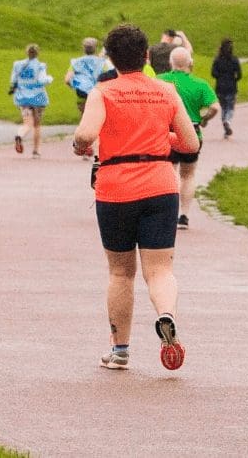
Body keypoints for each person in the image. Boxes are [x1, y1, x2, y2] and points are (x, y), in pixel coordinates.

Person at [73, 24, 199, 371]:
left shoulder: (103, 92)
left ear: (112, 59)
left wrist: (80, 145)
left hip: (116, 187)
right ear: (146, 56)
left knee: (120, 272)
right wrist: (161, 139)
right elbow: (190, 144)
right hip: (160, 184)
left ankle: (120, 350)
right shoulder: (167, 91)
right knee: (160, 269)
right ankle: (166, 314)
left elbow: (86, 133)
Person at [158, 47, 220, 229]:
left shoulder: (160, 81)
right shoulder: (200, 84)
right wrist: (204, 119)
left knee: (169, 172)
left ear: (171, 63)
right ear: (190, 63)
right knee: (188, 175)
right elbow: (215, 107)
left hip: (167, 132)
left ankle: (167, 213)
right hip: (192, 132)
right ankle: (184, 215)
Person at [10, 43, 53, 158]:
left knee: (27, 123)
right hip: (38, 98)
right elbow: (42, 80)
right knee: (37, 125)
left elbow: (13, 80)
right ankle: (36, 151)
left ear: (27, 52)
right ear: (38, 53)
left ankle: (20, 135)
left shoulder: (17, 65)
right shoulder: (40, 66)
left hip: (23, 98)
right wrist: (50, 78)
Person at [210, 38, 242, 139]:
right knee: (230, 107)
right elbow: (239, 74)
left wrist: (220, 77)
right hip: (231, 86)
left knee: (223, 107)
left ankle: (225, 125)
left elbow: (213, 73)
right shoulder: (234, 60)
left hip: (220, 87)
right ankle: (227, 121)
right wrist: (234, 79)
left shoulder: (217, 60)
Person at [66, 37, 106, 113]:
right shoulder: (101, 62)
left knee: (84, 116)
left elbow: (67, 80)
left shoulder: (76, 62)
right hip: (97, 94)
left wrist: (76, 85)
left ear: (83, 48)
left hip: (82, 94)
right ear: (95, 48)